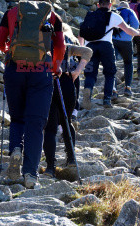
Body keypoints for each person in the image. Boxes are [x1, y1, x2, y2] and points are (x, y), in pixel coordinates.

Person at [0, 0, 66, 189]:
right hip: (41, 73)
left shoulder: (12, 13)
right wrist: (56, 66)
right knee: (35, 123)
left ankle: (16, 148)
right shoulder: (53, 16)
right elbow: (60, 46)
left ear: (27, 2)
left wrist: (9, 50)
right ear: (45, 4)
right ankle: (30, 175)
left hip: (14, 69)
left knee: (17, 118)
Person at [43, 27, 92, 177]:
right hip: (66, 82)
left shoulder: (39, 42)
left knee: (50, 127)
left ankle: (50, 167)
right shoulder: (66, 44)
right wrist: (76, 72)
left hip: (46, 83)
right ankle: (71, 159)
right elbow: (88, 52)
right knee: (67, 120)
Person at [79, 0, 140, 109]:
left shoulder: (90, 15)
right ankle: (107, 99)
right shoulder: (113, 15)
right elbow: (128, 30)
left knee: (90, 73)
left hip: (89, 47)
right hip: (106, 46)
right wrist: (138, 32)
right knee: (109, 73)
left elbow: (81, 34)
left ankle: (88, 91)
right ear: (110, 5)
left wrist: (82, 47)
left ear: (98, 5)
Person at [112, 1, 139, 97]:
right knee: (128, 63)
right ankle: (127, 88)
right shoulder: (129, 11)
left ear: (119, 6)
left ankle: (113, 89)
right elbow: (135, 24)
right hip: (126, 41)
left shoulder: (113, 12)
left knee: (112, 63)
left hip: (112, 40)